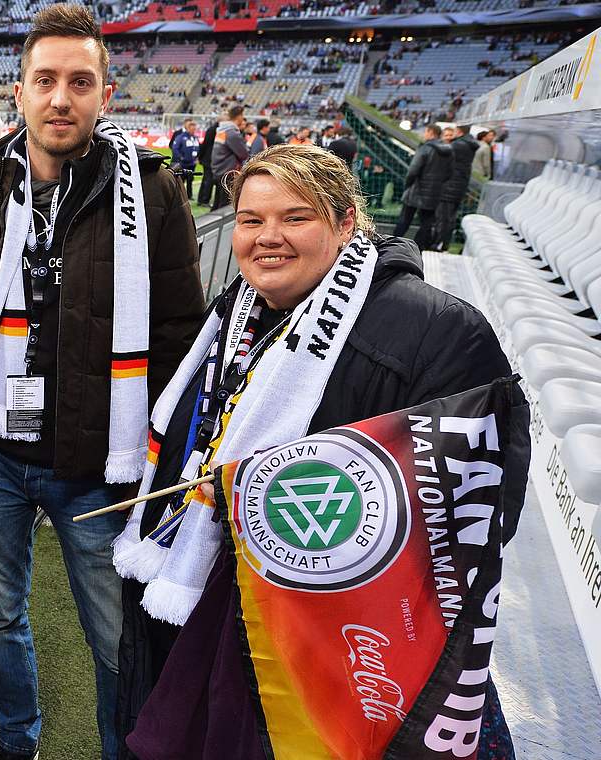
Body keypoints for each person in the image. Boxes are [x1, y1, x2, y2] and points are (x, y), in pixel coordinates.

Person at [118, 143, 517, 760]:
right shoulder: (236, 308)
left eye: (295, 218)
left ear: (345, 223)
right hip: (220, 606)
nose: (267, 238)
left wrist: (284, 505)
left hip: (339, 642)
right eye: (251, 221)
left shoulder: (438, 329)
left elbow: (480, 508)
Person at [0, 6, 205, 758]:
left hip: (101, 462)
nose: (60, 98)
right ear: (20, 92)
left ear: (106, 95)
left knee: (113, 638)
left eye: (80, 81)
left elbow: (177, 333)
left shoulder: (153, 190)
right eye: (45, 80)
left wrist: (164, 457)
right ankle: (19, 745)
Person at [393, 124, 452, 251]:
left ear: (431, 132)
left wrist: (408, 185)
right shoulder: (449, 151)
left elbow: (413, 170)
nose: (424, 134)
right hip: (434, 193)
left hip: (416, 190)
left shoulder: (425, 148)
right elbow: (450, 173)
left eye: (426, 132)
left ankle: (393, 245)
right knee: (426, 223)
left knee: (405, 220)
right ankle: (417, 248)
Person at [438, 124, 478, 251]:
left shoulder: (458, 145)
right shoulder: (468, 144)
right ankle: (444, 244)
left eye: (453, 132)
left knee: (445, 218)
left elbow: (441, 152)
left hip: (450, 186)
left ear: (459, 132)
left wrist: (442, 141)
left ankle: (441, 244)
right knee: (449, 217)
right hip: (458, 186)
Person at [210, 105, 247, 210]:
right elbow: (243, 153)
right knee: (225, 207)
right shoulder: (231, 132)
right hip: (227, 172)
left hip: (219, 170)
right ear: (239, 116)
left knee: (218, 204)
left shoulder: (222, 130)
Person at [169, 118, 199, 199]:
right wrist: (181, 158)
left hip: (192, 164)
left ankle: (189, 195)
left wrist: (197, 158)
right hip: (183, 164)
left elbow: (197, 148)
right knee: (181, 181)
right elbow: (175, 148)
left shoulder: (195, 138)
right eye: (192, 129)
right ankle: (179, 196)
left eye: (195, 129)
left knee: (190, 180)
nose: (194, 131)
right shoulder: (180, 137)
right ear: (188, 128)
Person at [195, 113, 220, 206]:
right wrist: (200, 156)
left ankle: (201, 199)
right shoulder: (215, 130)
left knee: (206, 179)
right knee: (208, 180)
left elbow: (204, 144)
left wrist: (200, 156)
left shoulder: (212, 129)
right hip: (210, 159)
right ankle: (204, 200)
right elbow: (206, 144)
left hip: (207, 158)